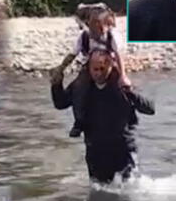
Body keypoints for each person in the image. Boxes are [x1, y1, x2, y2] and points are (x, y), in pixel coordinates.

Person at [50, 50, 155, 185]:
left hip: (122, 150)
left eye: (102, 69)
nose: (98, 73)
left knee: (126, 194)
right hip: (95, 151)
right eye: (95, 69)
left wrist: (131, 93)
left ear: (111, 66)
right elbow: (61, 103)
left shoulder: (121, 85)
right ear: (88, 67)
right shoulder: (81, 87)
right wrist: (56, 85)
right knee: (98, 192)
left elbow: (150, 109)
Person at [51, 8, 131, 137]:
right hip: (91, 67)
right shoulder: (84, 36)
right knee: (79, 87)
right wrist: (61, 69)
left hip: (109, 68)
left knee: (122, 90)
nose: (94, 30)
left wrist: (123, 76)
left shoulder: (112, 36)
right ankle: (79, 122)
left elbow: (119, 55)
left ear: (106, 26)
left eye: (98, 27)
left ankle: (127, 117)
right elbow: (72, 54)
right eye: (92, 25)